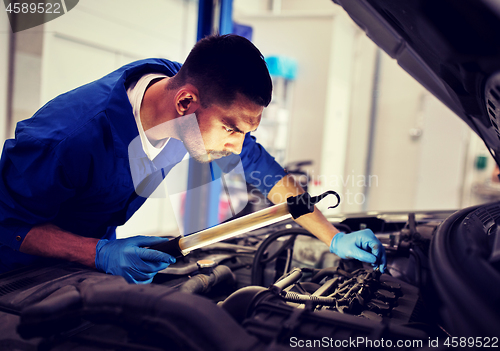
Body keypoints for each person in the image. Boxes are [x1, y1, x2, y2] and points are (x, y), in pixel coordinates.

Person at [0, 34, 386, 283]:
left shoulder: (187, 103)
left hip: (80, 267)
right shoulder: (71, 138)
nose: (237, 147)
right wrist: (99, 253)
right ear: (185, 103)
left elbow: (261, 170)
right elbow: (7, 224)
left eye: (245, 133)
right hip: (16, 277)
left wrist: (334, 238)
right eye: (232, 130)